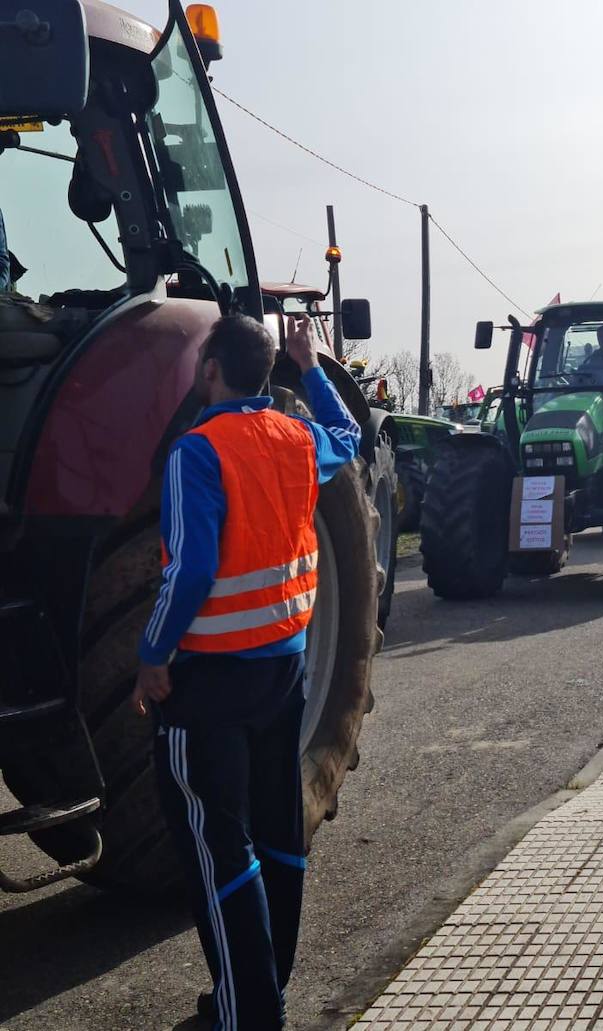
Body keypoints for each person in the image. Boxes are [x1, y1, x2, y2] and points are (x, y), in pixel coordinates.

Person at [130, 314, 361, 1030]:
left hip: (209, 686)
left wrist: (151, 656)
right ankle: (265, 988)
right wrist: (313, 368)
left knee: (216, 840)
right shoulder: (297, 439)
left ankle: (247, 1013)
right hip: (282, 675)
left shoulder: (196, 453)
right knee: (277, 831)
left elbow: (192, 567)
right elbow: (352, 438)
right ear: (265, 375)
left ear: (210, 372)